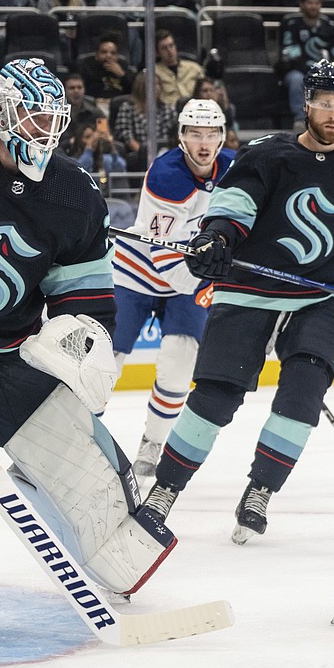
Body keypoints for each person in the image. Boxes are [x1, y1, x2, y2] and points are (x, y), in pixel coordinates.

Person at [136, 60, 334, 544]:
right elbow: (233, 207)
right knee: (215, 397)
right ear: (306, 103)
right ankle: (165, 489)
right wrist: (217, 238)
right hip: (249, 292)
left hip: (315, 299)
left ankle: (260, 490)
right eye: (325, 103)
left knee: (303, 395)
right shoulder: (267, 155)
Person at [0, 58, 175, 599]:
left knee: (89, 469)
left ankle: (117, 566)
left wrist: (79, 348)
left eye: (51, 121)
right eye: (31, 119)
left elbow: (83, 296)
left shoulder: (71, 192)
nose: (43, 135)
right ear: (0, 113)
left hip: (6, 352)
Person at [112, 99, 234, 482]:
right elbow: (164, 259)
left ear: (222, 136)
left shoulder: (234, 169)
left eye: (211, 133)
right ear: (182, 137)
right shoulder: (166, 175)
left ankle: (152, 442)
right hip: (139, 270)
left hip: (190, 276)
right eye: (195, 133)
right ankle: (80, 439)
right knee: (106, 361)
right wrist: (213, 286)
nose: (204, 141)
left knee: (180, 362)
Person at [280, 0, 334, 126]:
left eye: (317, 3)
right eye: (310, 3)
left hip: (324, 70)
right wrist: (311, 70)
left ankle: (333, 117)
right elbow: (290, 52)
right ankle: (300, 118)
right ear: (302, 5)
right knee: (296, 79)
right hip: (298, 70)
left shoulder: (329, 26)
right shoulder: (292, 25)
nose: (313, 6)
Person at [115, 72, 178, 172]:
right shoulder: (127, 108)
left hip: (164, 153)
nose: (157, 87)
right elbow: (126, 135)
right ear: (141, 86)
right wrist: (144, 153)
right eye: (153, 84)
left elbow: (171, 136)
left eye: (159, 84)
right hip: (137, 154)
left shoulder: (167, 109)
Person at [153, 30, 206, 108]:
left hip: (195, 112)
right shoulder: (154, 72)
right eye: (164, 48)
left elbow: (206, 91)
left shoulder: (194, 68)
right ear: (157, 53)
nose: (169, 51)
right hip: (169, 114)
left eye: (171, 45)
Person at [77, 34, 134, 102]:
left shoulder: (123, 67)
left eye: (113, 53)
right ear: (97, 55)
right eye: (104, 52)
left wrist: (122, 75)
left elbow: (135, 91)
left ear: (117, 56)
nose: (108, 56)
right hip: (94, 105)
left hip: (119, 106)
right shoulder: (87, 67)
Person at [60, 72, 105, 152]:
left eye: (79, 87)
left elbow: (104, 133)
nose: (76, 91)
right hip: (67, 152)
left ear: (84, 90)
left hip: (92, 151)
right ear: (65, 91)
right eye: (72, 88)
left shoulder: (96, 112)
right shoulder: (58, 113)